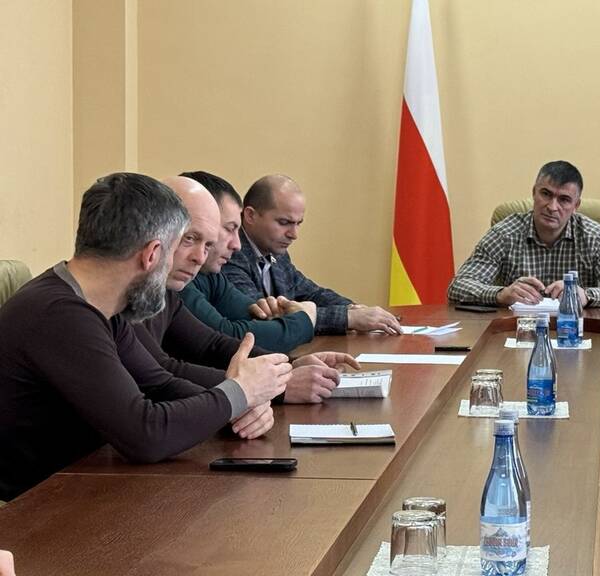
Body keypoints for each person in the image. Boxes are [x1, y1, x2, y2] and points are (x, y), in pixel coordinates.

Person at [0, 173, 290, 501]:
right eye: (178, 247)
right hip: (30, 510)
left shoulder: (100, 304)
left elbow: (158, 384)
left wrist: (241, 406)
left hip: (82, 486)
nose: (195, 258)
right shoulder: (60, 314)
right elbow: (146, 434)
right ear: (152, 254)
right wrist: (238, 393)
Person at [136, 176, 360, 404]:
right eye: (190, 238)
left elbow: (213, 344)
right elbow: (162, 377)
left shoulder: (176, 287)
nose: (236, 244)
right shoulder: (139, 296)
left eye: (208, 242)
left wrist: (287, 367)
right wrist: (276, 384)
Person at [447, 160, 600, 307]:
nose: (552, 207)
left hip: (577, 332)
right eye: (546, 194)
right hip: (517, 331)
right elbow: (458, 286)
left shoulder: (594, 237)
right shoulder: (505, 233)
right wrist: (500, 294)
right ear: (534, 193)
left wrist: (587, 296)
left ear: (576, 206)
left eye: (564, 199)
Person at [222, 174, 402, 335]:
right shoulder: (230, 253)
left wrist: (353, 308)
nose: (294, 234)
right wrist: (348, 319)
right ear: (250, 215)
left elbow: (310, 292)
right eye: (284, 222)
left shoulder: (276, 251)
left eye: (298, 223)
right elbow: (264, 315)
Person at [177, 170, 317, 353]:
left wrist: (293, 363)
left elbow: (259, 316)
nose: (237, 245)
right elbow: (228, 338)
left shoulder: (209, 275)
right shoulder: (176, 281)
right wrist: (305, 318)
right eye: (229, 228)